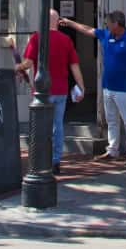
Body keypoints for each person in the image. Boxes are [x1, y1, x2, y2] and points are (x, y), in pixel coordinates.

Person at [61, 10, 126, 163]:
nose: (106, 26)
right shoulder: (106, 35)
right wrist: (70, 23)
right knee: (111, 120)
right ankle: (113, 150)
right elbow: (87, 30)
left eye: (108, 23)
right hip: (108, 86)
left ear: (116, 24)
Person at [17, 10, 85, 170]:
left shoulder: (37, 38)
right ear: (57, 21)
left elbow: (27, 63)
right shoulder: (66, 40)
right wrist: (81, 87)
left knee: (40, 126)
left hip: (42, 91)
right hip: (61, 90)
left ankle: (41, 158)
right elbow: (74, 66)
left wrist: (17, 67)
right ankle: (55, 159)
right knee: (57, 125)